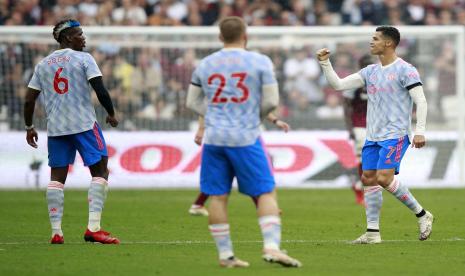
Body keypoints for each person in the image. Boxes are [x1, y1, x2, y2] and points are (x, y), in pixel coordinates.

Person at [186, 16, 301, 268]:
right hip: (245, 136)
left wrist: (215, 114)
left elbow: (191, 102)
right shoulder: (259, 61)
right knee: (265, 192)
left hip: (214, 138)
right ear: (245, 35)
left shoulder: (205, 63)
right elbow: (271, 101)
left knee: (217, 196)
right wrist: (253, 117)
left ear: (220, 37)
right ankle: (272, 247)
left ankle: (226, 256)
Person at [316, 26, 434, 244]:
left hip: (396, 134)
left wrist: (420, 131)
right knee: (368, 178)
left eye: (375, 39)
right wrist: (325, 63)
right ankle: (372, 233)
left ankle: (422, 214)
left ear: (388, 43)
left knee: (383, 178)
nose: (371, 42)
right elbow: (338, 85)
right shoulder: (370, 71)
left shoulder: (405, 70)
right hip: (373, 135)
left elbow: (421, 100)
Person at [24, 19, 120, 244]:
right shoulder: (84, 58)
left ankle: (56, 232)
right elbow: (99, 88)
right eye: (80, 34)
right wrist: (111, 112)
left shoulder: (43, 64)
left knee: (56, 179)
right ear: (67, 38)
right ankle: (93, 229)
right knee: (101, 172)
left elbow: (29, 100)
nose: (83, 38)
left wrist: (29, 127)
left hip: (56, 128)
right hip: (84, 125)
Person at [188, 113, 289, 216]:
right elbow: (265, 103)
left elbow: (262, 105)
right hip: (235, 139)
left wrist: (276, 121)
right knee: (245, 173)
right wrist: (201, 129)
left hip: (227, 138)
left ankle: (198, 204)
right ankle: (262, 207)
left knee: (227, 176)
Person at [341, 54, 373, 206]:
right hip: (359, 126)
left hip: (376, 127)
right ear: (360, 65)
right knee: (363, 159)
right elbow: (346, 106)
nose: (369, 66)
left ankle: (359, 186)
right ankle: (360, 190)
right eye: (366, 64)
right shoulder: (354, 82)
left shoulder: (378, 81)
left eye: (370, 63)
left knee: (373, 161)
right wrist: (350, 128)